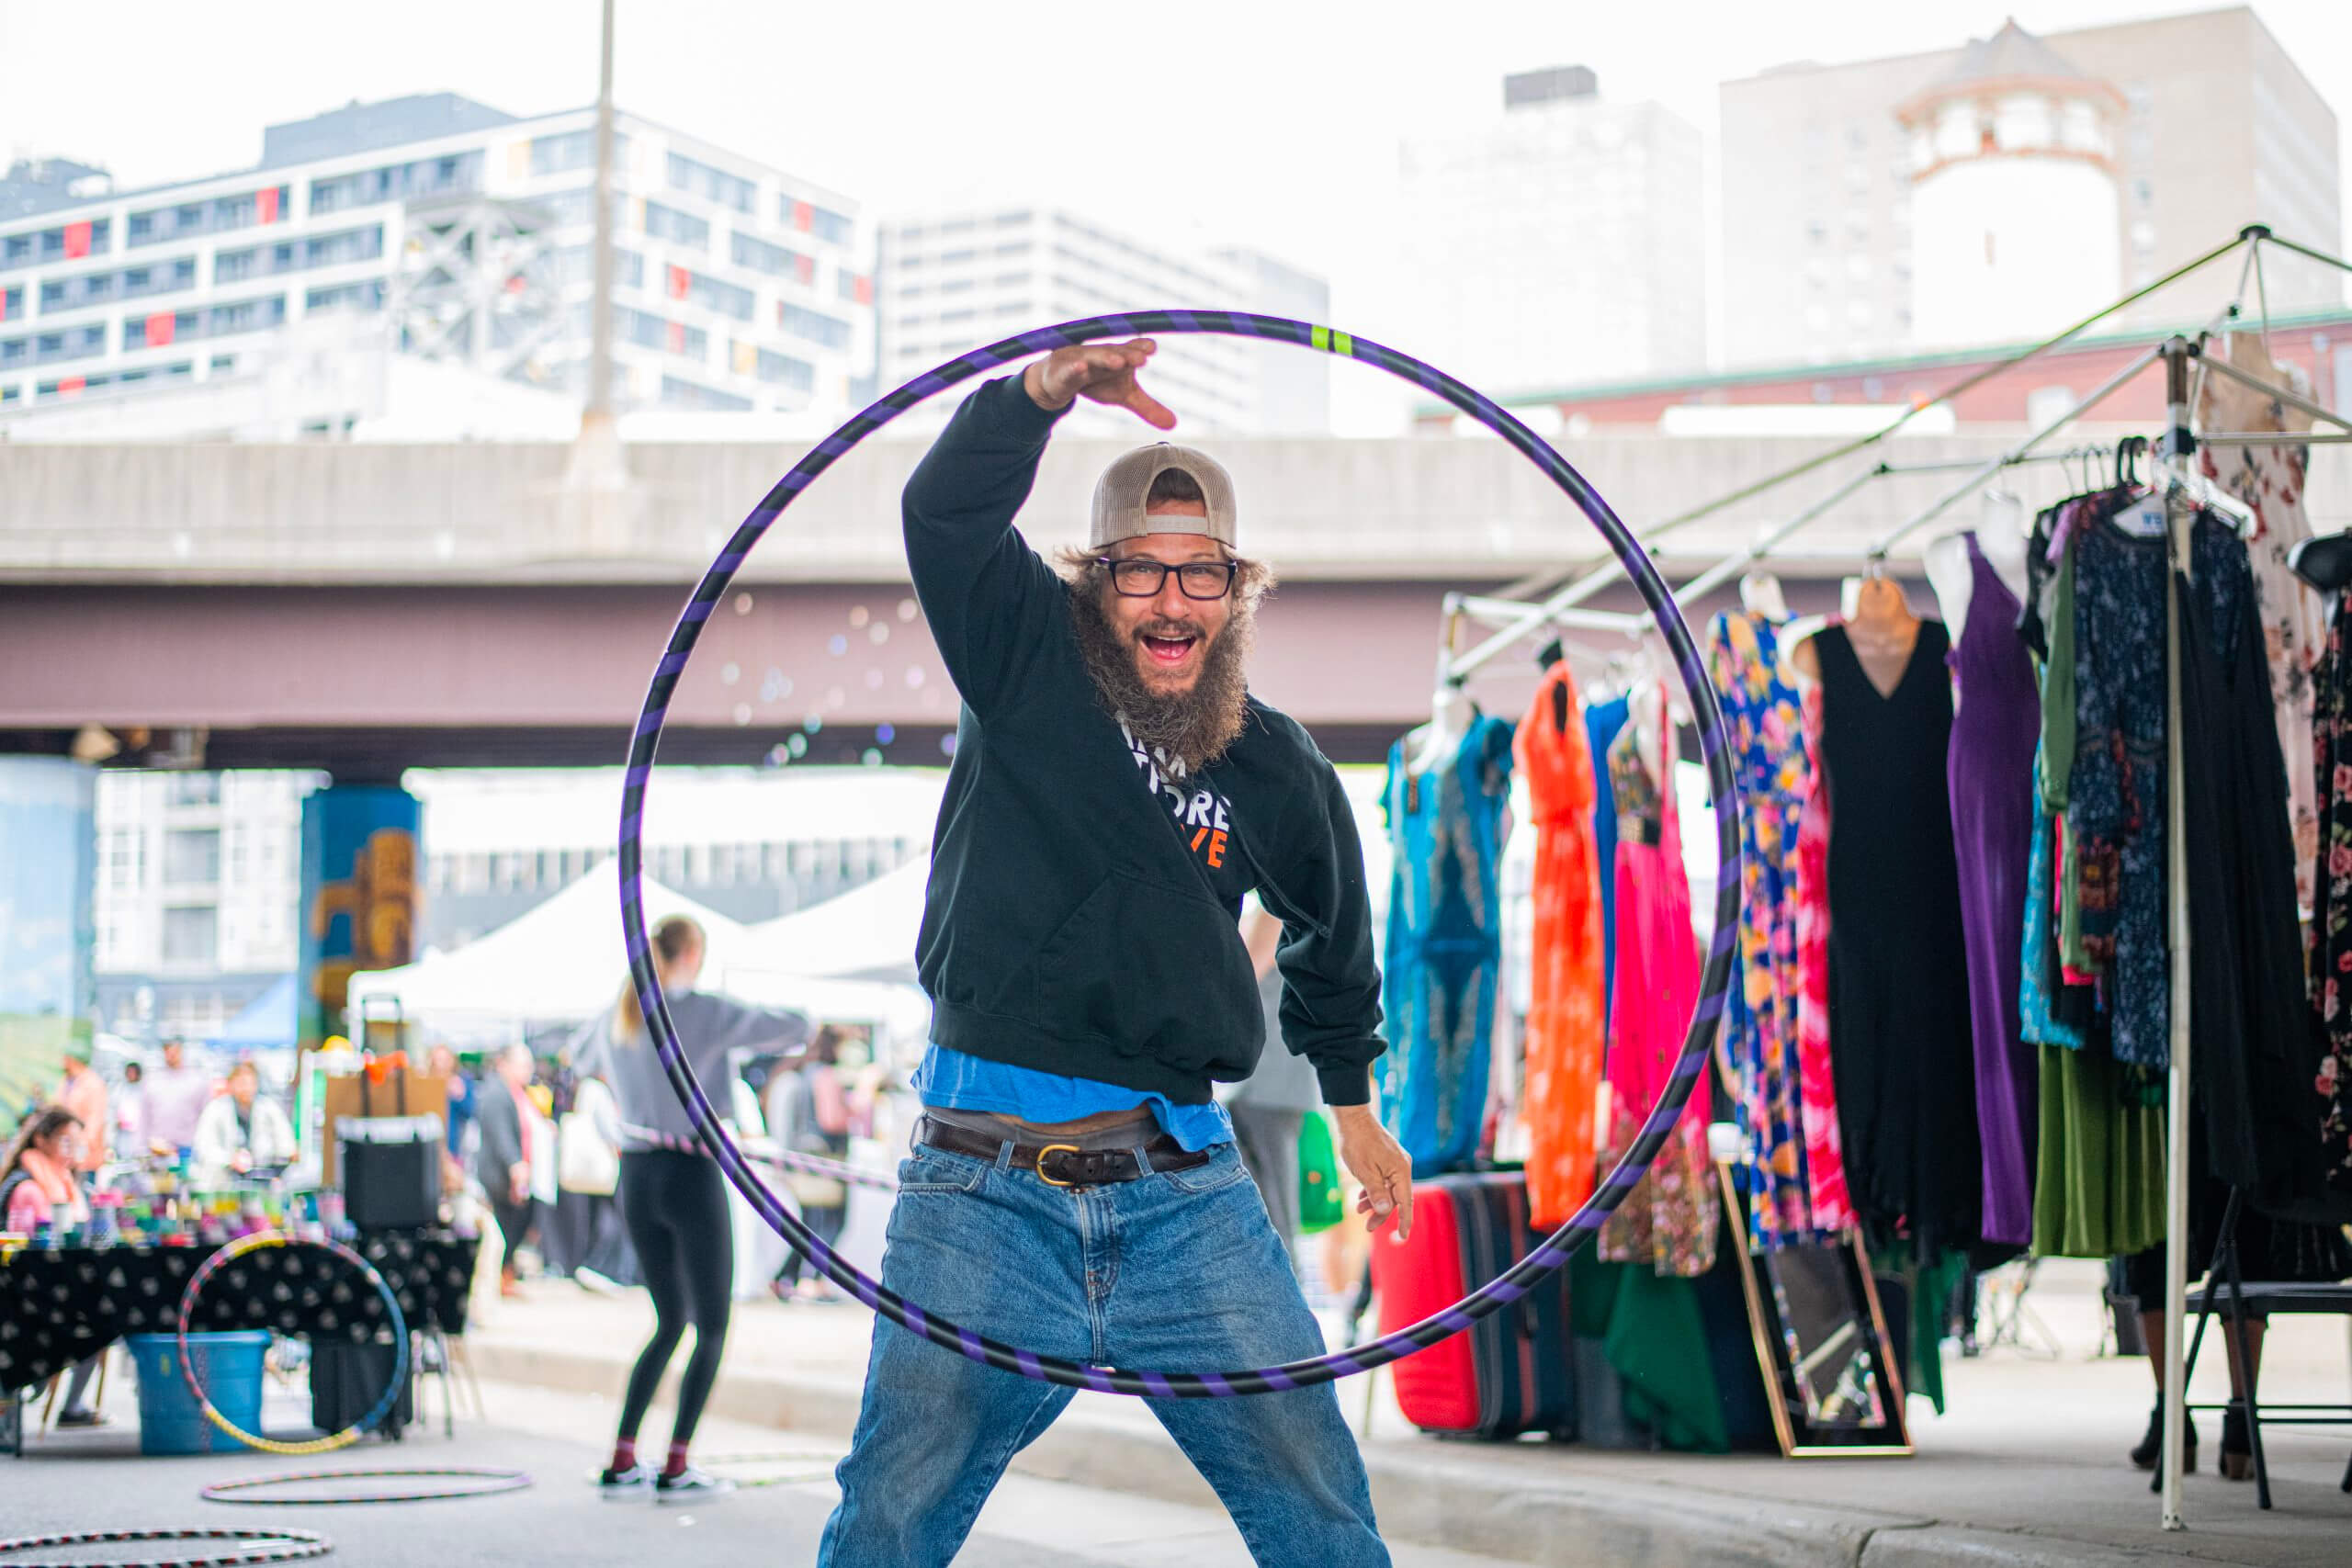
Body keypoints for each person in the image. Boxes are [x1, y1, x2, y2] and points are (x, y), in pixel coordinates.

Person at [817, 338, 1411, 1566]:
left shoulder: (1273, 765)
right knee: (890, 1510)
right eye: (1142, 569)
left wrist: (1351, 1105)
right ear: (1096, 581)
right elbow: (944, 510)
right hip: (981, 1192)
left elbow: (1333, 927)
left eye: (1203, 573)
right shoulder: (1022, 652)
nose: (1174, 599)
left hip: (1185, 1193)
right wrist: (1036, 398)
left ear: (1238, 590)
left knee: (1320, 1497)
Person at [585, 913, 808, 1501]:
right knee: (711, 1324)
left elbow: (583, 1067)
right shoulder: (699, 1010)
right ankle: (677, 1464)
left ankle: (622, 1456)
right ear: (691, 955)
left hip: (636, 1175)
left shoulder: (621, 1012)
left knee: (669, 1320)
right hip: (688, 1174)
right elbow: (792, 1030)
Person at [1223, 902, 1329, 1275]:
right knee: (1270, 1214)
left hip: (1263, 1086)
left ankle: (1286, 1318)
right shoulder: (1303, 908)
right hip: (1275, 1087)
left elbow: (1241, 974)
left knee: (1268, 1216)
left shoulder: (1275, 907)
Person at [1, 1109, 105, 1425]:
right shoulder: (28, 1187)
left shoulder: (66, 1182)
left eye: (77, 1142)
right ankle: (39, 1389)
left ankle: (69, 1403)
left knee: (101, 1316)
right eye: (65, 1141)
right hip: (21, 1290)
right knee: (94, 1318)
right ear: (41, 1140)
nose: (72, 1150)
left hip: (52, 1285)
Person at [770, 1025, 853, 1303]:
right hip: (826, 1161)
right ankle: (812, 1281)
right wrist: (859, 1103)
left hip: (805, 1160)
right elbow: (832, 1119)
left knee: (809, 1223)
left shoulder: (802, 1073)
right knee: (830, 1222)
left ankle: (786, 1277)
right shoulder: (827, 1076)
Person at [473, 1044, 543, 1300]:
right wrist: (515, 1165)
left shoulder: (515, 1093)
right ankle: (501, 1276)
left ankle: (505, 1275)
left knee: (516, 1221)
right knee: (508, 1224)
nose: (528, 1071)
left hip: (511, 1172)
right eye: (523, 1065)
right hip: (500, 1174)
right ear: (505, 1064)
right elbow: (501, 1135)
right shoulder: (497, 1093)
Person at [190, 1062, 298, 1184]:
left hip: (262, 1180)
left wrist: (277, 1164)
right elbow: (204, 1147)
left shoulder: (269, 1109)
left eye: (250, 1083)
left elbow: (286, 1145)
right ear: (230, 1084)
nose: (246, 1088)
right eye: (241, 1083)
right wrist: (230, 1160)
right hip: (223, 1183)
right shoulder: (216, 1109)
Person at [142, 1038, 215, 1156]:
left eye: (174, 1049)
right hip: (158, 1149)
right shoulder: (152, 1081)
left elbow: (207, 1115)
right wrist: (142, 1147)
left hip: (187, 1149)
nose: (171, 1054)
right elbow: (144, 1117)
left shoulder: (197, 1081)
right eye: (167, 1049)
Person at [53, 1047, 108, 1174]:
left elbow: (95, 1120)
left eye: (66, 1059)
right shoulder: (66, 1081)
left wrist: (81, 1147)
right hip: (65, 1153)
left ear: (74, 1060)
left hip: (84, 1155)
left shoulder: (93, 1084)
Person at [429, 1043, 479, 1165]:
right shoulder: (427, 1085)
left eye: (446, 1060)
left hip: (455, 1150)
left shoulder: (462, 1082)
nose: (442, 1064)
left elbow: (471, 1112)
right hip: (431, 1150)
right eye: (439, 1060)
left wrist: (460, 1096)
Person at [114, 1061, 148, 1165]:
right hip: (123, 1133)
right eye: (128, 1072)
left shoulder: (144, 1090)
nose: (130, 1075)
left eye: (133, 1072)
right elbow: (115, 1107)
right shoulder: (121, 1089)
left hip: (137, 1134)